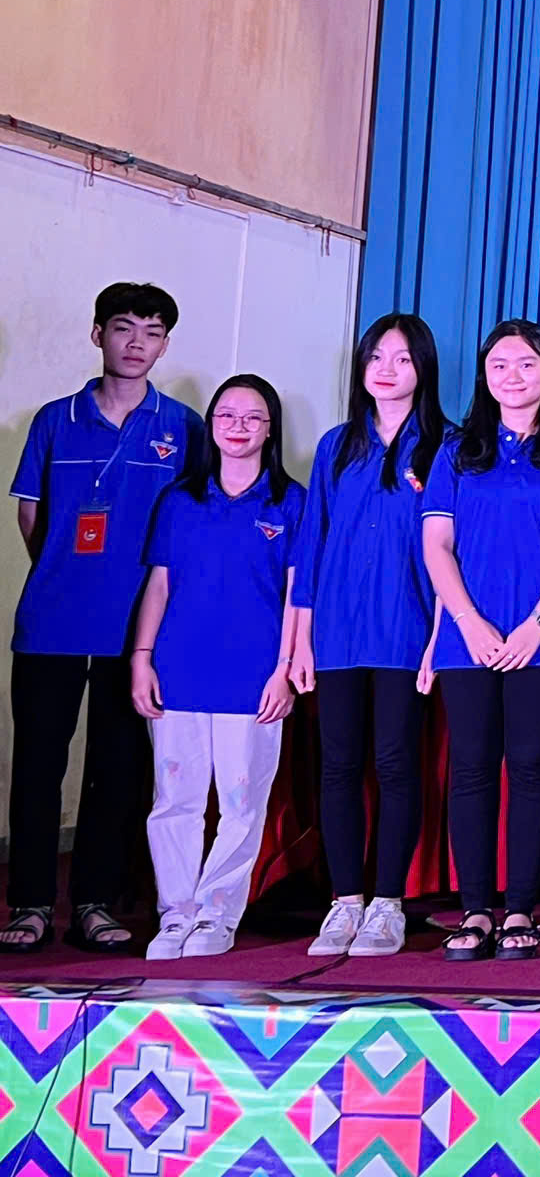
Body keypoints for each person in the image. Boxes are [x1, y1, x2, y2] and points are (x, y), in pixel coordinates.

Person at [5, 280, 201, 955]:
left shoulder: (183, 427)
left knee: (117, 768)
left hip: (136, 632)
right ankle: (30, 903)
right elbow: (30, 512)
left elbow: (190, 525)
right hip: (52, 622)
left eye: (152, 332)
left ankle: (94, 902)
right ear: (98, 335)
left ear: (164, 345)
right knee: (38, 764)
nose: (136, 343)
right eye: (123, 328)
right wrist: (66, 572)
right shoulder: (54, 420)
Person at [422, 320, 540, 963]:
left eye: (527, 363)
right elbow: (436, 545)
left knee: (530, 767)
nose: (512, 375)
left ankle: (521, 907)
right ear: (484, 375)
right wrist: (468, 621)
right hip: (466, 638)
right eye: (498, 364)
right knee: (470, 768)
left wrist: (539, 623)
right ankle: (474, 909)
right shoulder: (456, 451)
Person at [129, 374, 303, 960]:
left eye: (253, 417)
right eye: (226, 415)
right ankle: (175, 913)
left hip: (254, 679)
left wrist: (284, 670)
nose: (238, 427)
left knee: (241, 803)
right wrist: (142, 659)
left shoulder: (291, 502)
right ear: (211, 425)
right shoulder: (180, 500)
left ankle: (216, 914)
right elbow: (158, 585)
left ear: (270, 429)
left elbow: (297, 595)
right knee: (173, 802)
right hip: (178, 671)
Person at [293, 314, 449, 961]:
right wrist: (299, 641)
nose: (387, 369)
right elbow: (310, 544)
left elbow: (453, 551)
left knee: (395, 763)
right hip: (336, 632)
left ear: (424, 369)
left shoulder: (445, 446)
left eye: (403, 359)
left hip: (407, 629)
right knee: (337, 766)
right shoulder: (336, 446)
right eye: (376, 357)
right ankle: (345, 900)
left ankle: (388, 903)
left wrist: (441, 637)